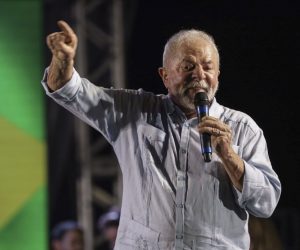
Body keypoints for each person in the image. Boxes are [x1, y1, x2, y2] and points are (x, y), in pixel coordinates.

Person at [42, 20, 281, 250]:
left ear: (217, 74)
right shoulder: (133, 111)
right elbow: (69, 92)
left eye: (207, 67)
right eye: (188, 67)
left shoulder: (243, 128)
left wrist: (229, 156)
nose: (199, 74)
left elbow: (266, 203)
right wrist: (62, 62)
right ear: (165, 76)